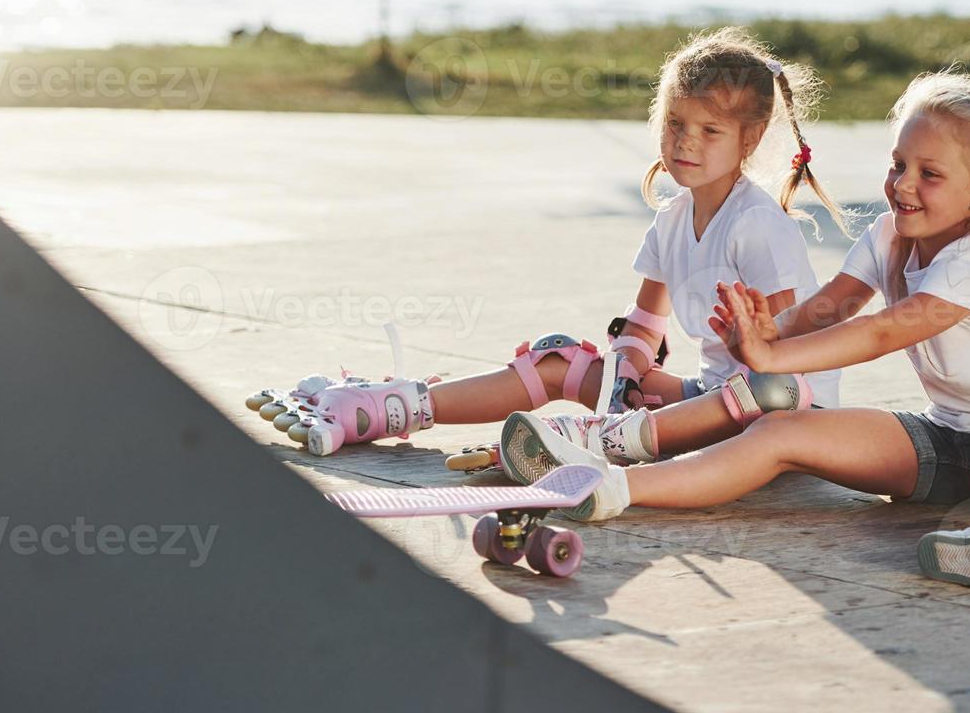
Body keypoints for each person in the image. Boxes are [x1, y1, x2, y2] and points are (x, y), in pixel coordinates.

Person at [503, 72, 970, 591]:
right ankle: (611, 488)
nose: (904, 184)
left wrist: (769, 355)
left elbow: (879, 334)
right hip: (940, 441)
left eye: (930, 174)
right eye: (898, 165)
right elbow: (829, 308)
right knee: (778, 432)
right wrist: (766, 334)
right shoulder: (892, 236)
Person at [251, 27, 848, 459]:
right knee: (556, 358)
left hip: (769, 408)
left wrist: (703, 378)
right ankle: (395, 407)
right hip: (704, 400)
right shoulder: (672, 221)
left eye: (709, 131)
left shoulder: (757, 226)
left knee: (736, 400)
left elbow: (786, 355)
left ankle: (586, 444)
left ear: (748, 140)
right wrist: (627, 376)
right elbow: (644, 324)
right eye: (675, 124)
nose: (686, 143)